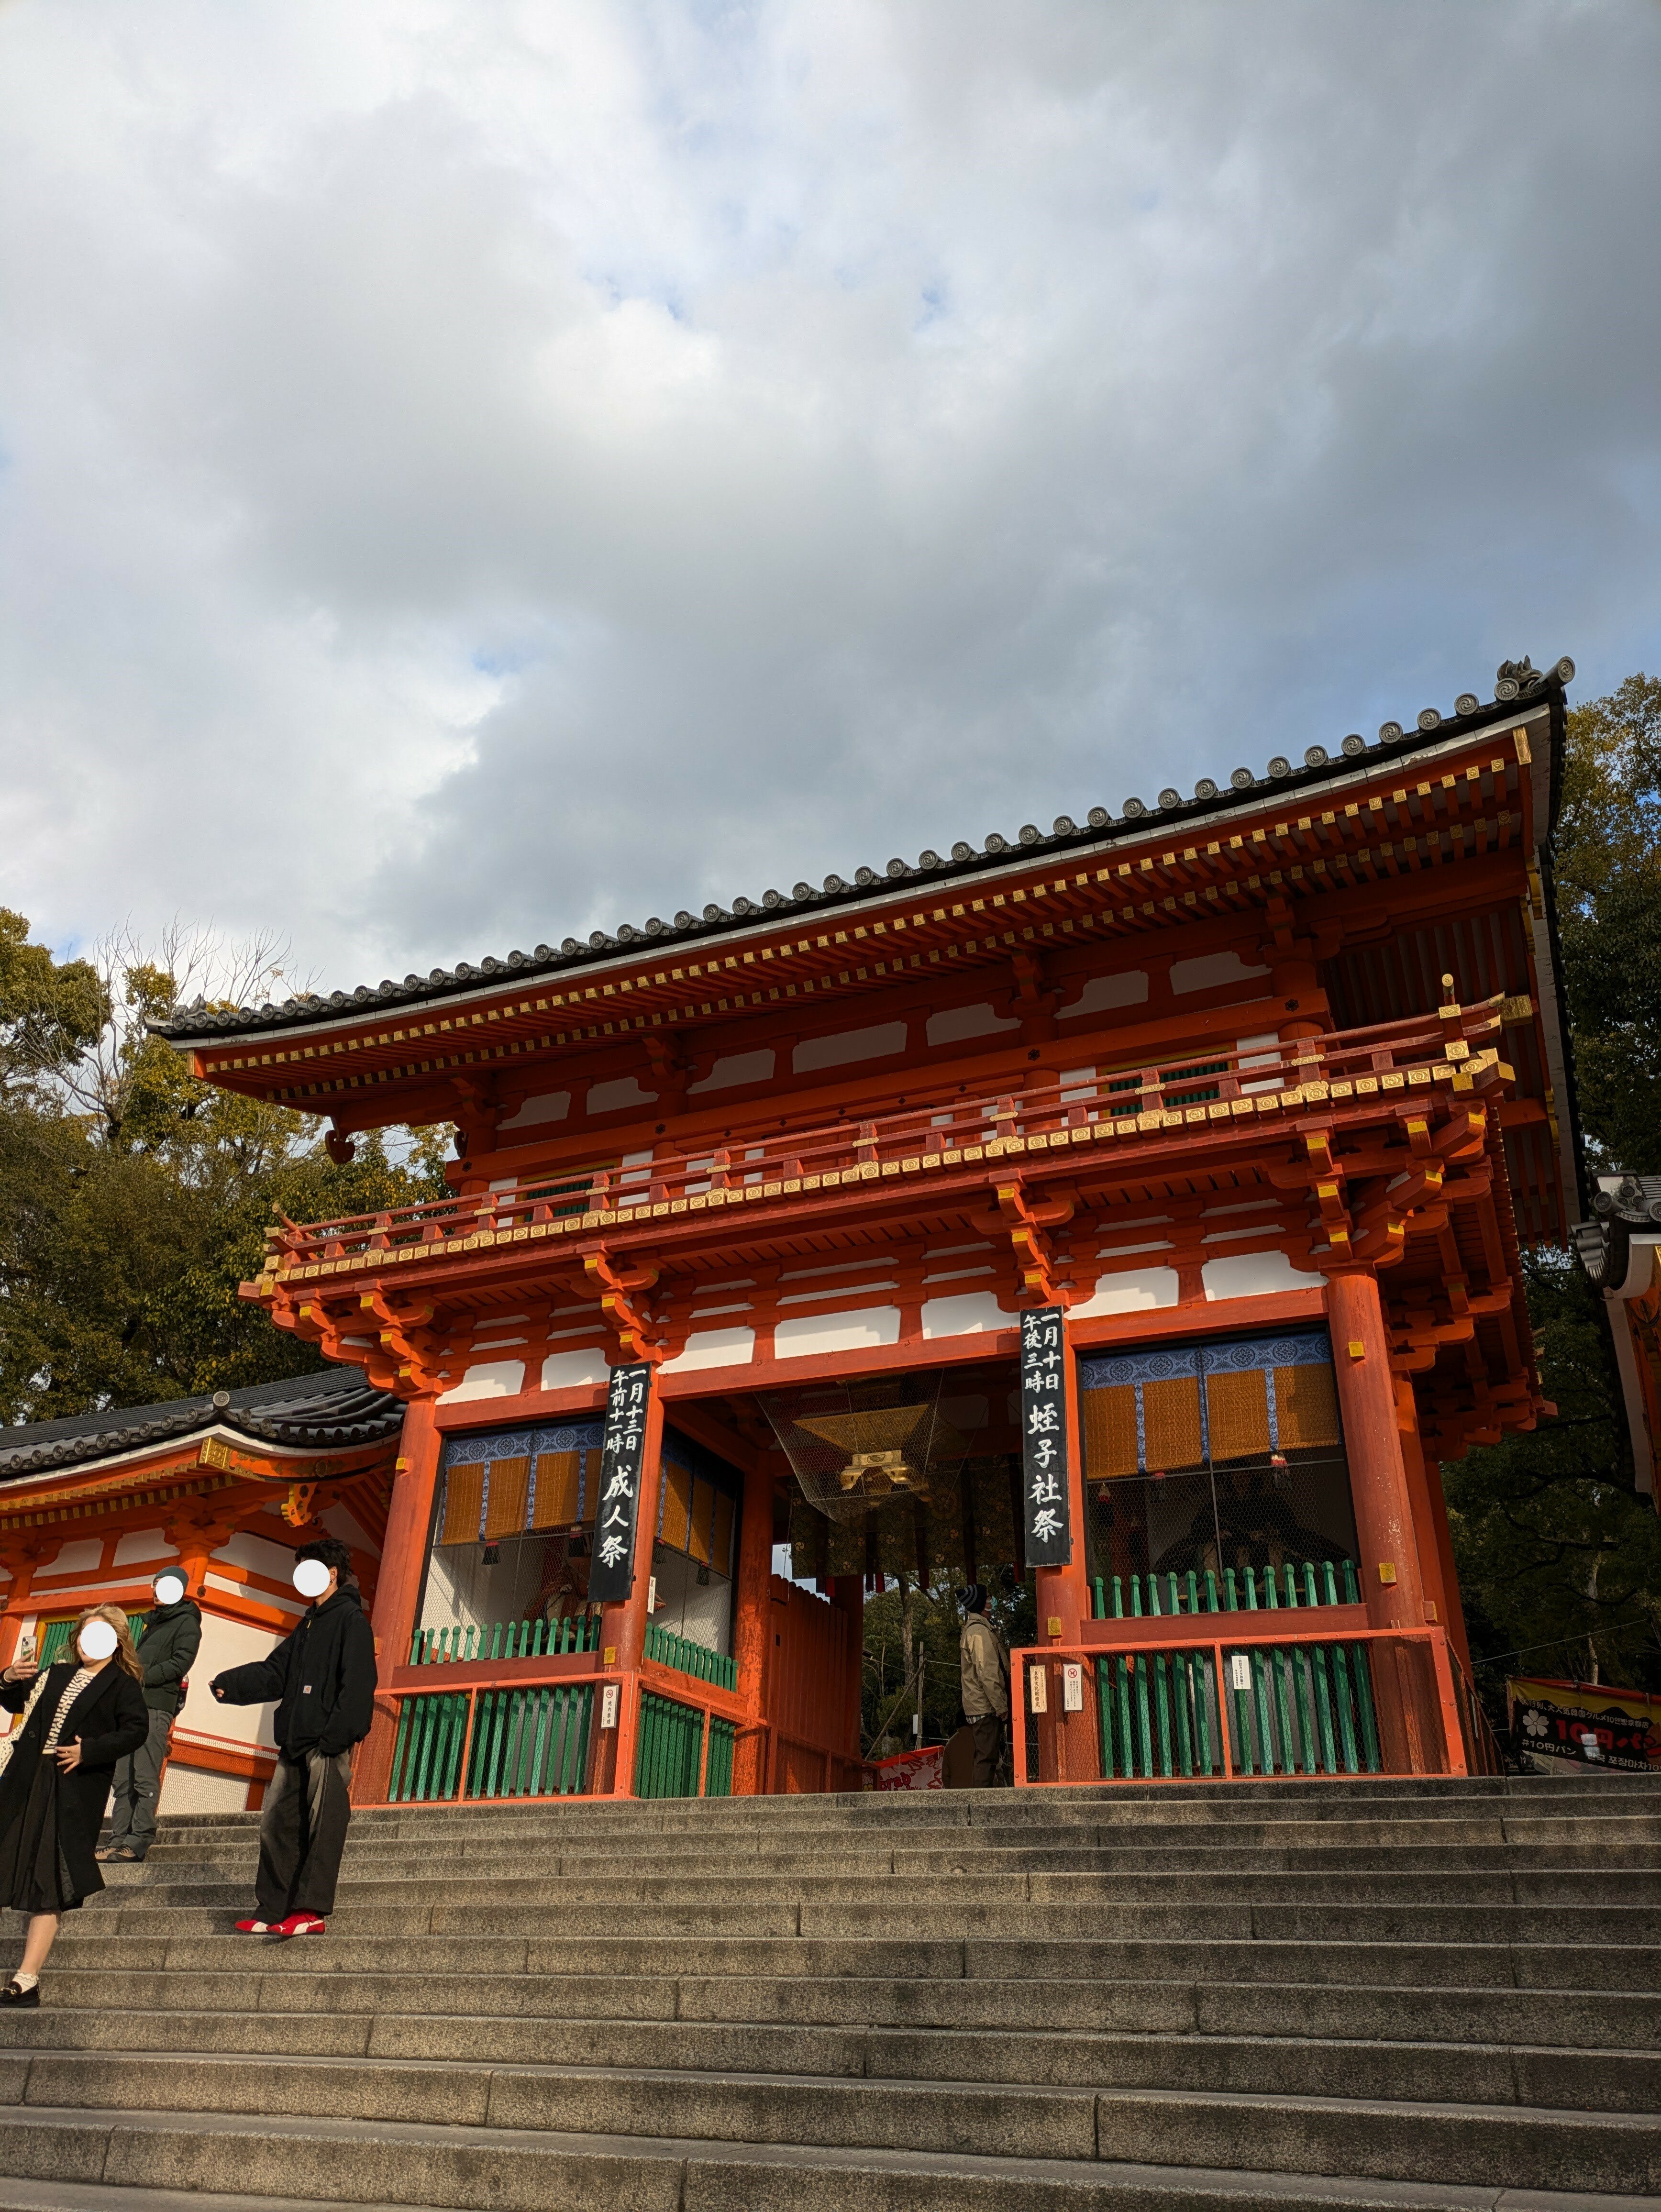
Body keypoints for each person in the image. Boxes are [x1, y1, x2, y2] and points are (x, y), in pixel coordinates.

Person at [210, 1535, 375, 1937]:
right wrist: (230, 1685)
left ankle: (310, 1911)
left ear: (331, 1574)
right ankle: (273, 1907)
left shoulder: (351, 1622)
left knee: (323, 1828)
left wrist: (335, 1737)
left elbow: (358, 1684)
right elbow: (275, 1673)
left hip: (325, 1745)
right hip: (293, 1744)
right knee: (276, 1826)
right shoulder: (307, 1626)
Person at [0, 1603, 149, 2005]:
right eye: (84, 1634)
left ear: (116, 1640)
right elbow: (18, 1705)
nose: (87, 1642)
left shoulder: (122, 1684)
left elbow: (136, 1731)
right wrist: (9, 1678)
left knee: (49, 1881)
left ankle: (26, 1979)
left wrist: (91, 1751)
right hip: (26, 1780)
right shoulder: (57, 1672)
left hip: (71, 1789)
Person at [98, 1568, 201, 1864]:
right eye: (154, 1585)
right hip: (132, 1708)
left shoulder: (187, 1623)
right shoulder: (154, 1624)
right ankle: (118, 1840)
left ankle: (139, 1839)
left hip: (156, 1707)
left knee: (144, 1776)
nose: (155, 1591)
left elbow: (182, 1662)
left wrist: (141, 1678)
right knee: (122, 1778)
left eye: (163, 1586)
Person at [957, 1582, 1010, 1788]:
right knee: (987, 1758)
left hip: (981, 1705)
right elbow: (988, 1673)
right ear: (981, 1603)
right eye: (988, 1597)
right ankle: (980, 1806)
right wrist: (1000, 1706)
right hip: (985, 1707)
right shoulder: (979, 1632)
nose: (992, 1601)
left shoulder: (977, 1630)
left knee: (987, 1755)